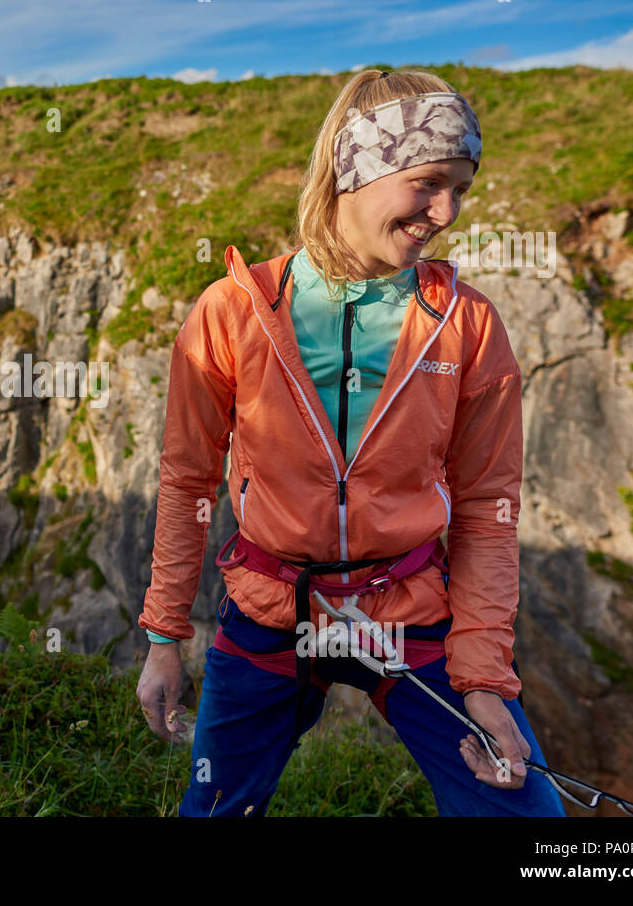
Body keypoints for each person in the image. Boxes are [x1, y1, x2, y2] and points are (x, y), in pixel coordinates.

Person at [136, 67, 566, 817]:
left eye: (460, 189)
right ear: (355, 166)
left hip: (409, 606)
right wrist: (165, 635)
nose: (446, 211)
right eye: (430, 183)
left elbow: (488, 506)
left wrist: (487, 678)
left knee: (524, 813)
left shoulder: (468, 325)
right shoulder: (233, 312)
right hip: (272, 608)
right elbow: (187, 480)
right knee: (215, 811)